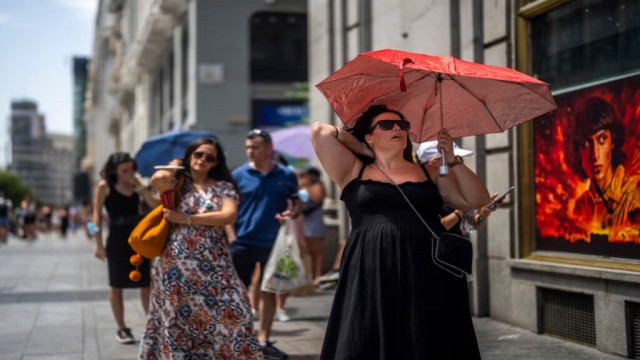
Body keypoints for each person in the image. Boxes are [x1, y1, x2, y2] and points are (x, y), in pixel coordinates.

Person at [311, 104, 490, 359]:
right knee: (370, 335)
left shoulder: (428, 172)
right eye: (386, 125)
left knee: (428, 337)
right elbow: (321, 131)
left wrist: (451, 158)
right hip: (371, 270)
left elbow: (476, 199)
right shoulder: (354, 170)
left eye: (403, 125)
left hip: (428, 270)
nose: (397, 128)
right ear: (370, 136)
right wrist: (363, 149)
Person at [139, 138, 261, 359]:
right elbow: (159, 178)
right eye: (198, 155)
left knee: (236, 307)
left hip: (215, 261)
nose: (203, 160)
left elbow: (228, 215)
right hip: (176, 263)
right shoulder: (177, 183)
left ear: (215, 163)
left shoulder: (223, 186)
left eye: (210, 157)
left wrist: (187, 218)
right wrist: (178, 162)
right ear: (190, 157)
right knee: (177, 318)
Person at [231, 128, 301, 360]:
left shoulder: (286, 175)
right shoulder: (238, 175)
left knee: (269, 290)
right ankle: (241, 340)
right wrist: (231, 237)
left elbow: (296, 204)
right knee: (238, 294)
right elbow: (229, 209)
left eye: (255, 147)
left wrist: (290, 213)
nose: (250, 151)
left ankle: (263, 339)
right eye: (248, 147)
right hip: (242, 242)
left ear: (269, 149)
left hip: (274, 242)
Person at [92, 152, 159, 344]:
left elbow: (155, 207)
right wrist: (97, 243)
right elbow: (95, 216)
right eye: (124, 170)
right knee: (117, 285)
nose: (129, 173)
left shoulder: (137, 186)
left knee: (146, 283)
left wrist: (141, 188)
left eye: (132, 169)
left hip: (137, 237)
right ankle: (122, 328)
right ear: (115, 170)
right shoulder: (104, 186)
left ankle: (152, 326)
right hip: (116, 237)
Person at [571, 97, 640, 241]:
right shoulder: (581, 206)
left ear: (613, 142)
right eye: (587, 144)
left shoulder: (633, 197)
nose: (595, 155)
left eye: (602, 139)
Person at [417, 140, 505, 236]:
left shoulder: (453, 190)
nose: (459, 165)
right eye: (453, 159)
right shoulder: (421, 193)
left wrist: (484, 213)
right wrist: (460, 211)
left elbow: (470, 225)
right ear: (434, 162)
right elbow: (430, 229)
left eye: (459, 160)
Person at [298, 167, 327, 286]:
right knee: (306, 250)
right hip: (303, 220)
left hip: (314, 220)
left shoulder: (317, 186)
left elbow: (317, 199)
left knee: (316, 250)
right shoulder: (301, 185)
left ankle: (317, 275)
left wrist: (307, 187)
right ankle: (309, 276)